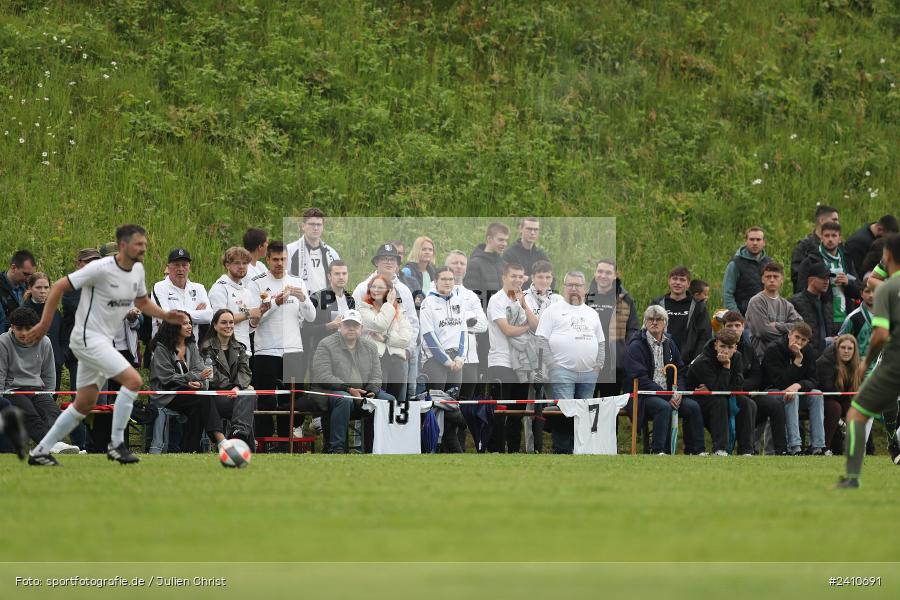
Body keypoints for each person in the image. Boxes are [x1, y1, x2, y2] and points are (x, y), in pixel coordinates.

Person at [24, 224, 187, 466]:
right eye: (138, 244)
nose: (143, 248)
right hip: (87, 338)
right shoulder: (99, 268)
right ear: (122, 245)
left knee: (83, 405)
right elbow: (58, 287)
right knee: (133, 380)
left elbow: (143, 303)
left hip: (101, 341)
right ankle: (116, 445)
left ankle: (40, 450)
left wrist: (165, 315)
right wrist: (43, 325)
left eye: (144, 244)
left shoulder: (136, 271)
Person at [837, 233, 900, 488]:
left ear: (888, 256)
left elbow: (881, 334)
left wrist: (866, 362)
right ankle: (895, 441)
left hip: (894, 360)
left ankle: (852, 477)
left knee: (857, 412)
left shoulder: (887, 289)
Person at [247, 240, 314, 439]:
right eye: (275, 259)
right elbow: (254, 318)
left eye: (283, 259)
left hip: (293, 350)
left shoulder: (297, 282)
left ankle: (288, 438)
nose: (279, 263)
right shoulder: (257, 282)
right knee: (265, 398)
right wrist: (275, 302)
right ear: (267, 259)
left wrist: (303, 299)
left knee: (292, 398)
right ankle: (264, 439)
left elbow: (311, 317)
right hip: (266, 350)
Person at [535, 271, 606, 454]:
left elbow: (601, 342)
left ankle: (580, 450)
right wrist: (553, 364)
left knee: (583, 413)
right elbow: (541, 340)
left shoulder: (592, 313)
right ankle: (563, 450)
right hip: (561, 372)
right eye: (570, 285)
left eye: (578, 285)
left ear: (585, 289)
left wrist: (598, 366)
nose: (574, 288)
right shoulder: (552, 311)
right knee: (564, 412)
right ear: (564, 287)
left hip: (589, 373)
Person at [311, 310, 395, 454]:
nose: (351, 328)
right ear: (340, 327)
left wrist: (372, 392)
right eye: (347, 325)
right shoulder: (326, 344)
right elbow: (323, 376)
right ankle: (337, 448)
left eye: (355, 325)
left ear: (361, 328)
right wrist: (349, 389)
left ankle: (380, 448)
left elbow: (376, 375)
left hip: (362, 393)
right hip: (330, 392)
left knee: (389, 400)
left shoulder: (371, 347)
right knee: (345, 400)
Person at [623, 305, 704, 455]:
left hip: (669, 395)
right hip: (642, 396)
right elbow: (639, 378)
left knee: (693, 407)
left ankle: (697, 451)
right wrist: (667, 396)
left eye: (659, 319)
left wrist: (679, 392)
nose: (654, 322)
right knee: (664, 407)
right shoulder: (636, 345)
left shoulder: (670, 343)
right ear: (645, 322)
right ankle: (658, 450)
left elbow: (680, 370)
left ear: (665, 322)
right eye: (650, 319)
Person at [0, 307, 78, 454]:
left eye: (28, 328)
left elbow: (49, 373)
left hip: (37, 389)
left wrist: (48, 395)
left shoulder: (45, 341)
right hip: (12, 391)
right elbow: (0, 372)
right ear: (12, 327)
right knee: (30, 415)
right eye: (19, 328)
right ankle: (50, 445)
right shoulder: (3, 341)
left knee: (52, 412)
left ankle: (58, 444)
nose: (24, 333)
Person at [149, 311, 226, 453]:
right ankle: (220, 440)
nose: (190, 326)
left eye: (190, 323)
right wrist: (192, 379)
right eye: (185, 323)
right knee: (202, 399)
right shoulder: (162, 348)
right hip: (167, 395)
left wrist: (199, 383)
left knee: (199, 406)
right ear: (173, 326)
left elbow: (202, 371)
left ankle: (190, 449)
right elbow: (166, 378)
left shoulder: (191, 346)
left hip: (188, 393)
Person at [352, 243, 419, 399]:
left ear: (397, 264)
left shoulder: (404, 290)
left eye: (392, 259)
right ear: (376, 262)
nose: (389, 262)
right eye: (385, 259)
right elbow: (353, 320)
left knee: (398, 404)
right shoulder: (363, 288)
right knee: (374, 402)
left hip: (399, 356)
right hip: (372, 355)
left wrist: (408, 350)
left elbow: (412, 324)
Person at [486, 263, 535, 453]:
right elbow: (507, 330)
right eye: (513, 276)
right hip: (501, 362)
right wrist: (527, 328)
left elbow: (537, 326)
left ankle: (514, 450)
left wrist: (524, 305)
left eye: (521, 277)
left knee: (518, 411)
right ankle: (496, 449)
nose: (517, 280)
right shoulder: (496, 300)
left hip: (522, 364)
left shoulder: (522, 300)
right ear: (504, 278)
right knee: (501, 410)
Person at [761, 322, 825, 455]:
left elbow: (813, 379)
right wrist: (797, 362)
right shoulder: (773, 349)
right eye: (797, 337)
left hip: (796, 391)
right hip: (773, 392)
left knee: (816, 394)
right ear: (789, 334)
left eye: (803, 340)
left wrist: (798, 385)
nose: (799, 342)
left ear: (808, 341)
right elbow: (779, 382)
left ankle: (818, 447)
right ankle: (795, 447)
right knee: (791, 395)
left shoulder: (808, 351)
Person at [686, 328, 751, 456]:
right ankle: (720, 449)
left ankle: (746, 450)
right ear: (715, 345)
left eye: (730, 347)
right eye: (722, 346)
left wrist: (714, 388)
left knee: (746, 402)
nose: (725, 351)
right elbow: (720, 391)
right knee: (719, 401)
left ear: (735, 348)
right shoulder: (703, 361)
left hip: (717, 394)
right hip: (696, 397)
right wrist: (726, 367)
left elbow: (738, 387)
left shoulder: (737, 357)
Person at [199, 309, 257, 447]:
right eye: (224, 322)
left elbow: (245, 372)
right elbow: (212, 376)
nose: (228, 326)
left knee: (248, 393)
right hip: (216, 398)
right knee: (248, 394)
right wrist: (234, 388)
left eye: (231, 322)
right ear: (215, 325)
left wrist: (238, 387)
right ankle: (241, 436)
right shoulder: (206, 348)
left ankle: (239, 432)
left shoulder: (240, 348)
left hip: (236, 395)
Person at [520, 260, 561, 452]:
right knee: (531, 406)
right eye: (540, 277)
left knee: (557, 404)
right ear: (532, 277)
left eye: (547, 277)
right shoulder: (523, 297)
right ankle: (532, 448)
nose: (544, 281)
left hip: (554, 358)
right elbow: (532, 327)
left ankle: (560, 446)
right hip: (530, 357)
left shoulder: (558, 300)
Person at [585, 259, 639, 397]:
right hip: (587, 362)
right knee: (585, 405)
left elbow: (633, 329)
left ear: (615, 275)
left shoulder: (625, 299)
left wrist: (624, 351)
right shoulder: (584, 296)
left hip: (613, 364)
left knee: (609, 406)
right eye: (600, 271)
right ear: (595, 272)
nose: (603, 276)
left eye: (608, 273)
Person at [358, 275, 413, 405]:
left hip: (397, 360)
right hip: (376, 360)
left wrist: (385, 339)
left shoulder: (399, 310)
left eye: (380, 287)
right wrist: (389, 304)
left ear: (389, 291)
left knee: (397, 403)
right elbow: (379, 324)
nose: (376, 290)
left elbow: (406, 338)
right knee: (379, 401)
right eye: (373, 287)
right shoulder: (363, 309)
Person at [444, 251, 488, 404]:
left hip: (470, 358)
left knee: (466, 404)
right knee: (447, 403)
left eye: (462, 263)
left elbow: (483, 325)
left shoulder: (471, 295)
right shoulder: (435, 291)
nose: (458, 266)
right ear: (446, 265)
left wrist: (458, 319)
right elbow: (442, 322)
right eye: (455, 263)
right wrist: (469, 318)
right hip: (447, 358)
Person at [650, 266, 712, 363]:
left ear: (688, 284)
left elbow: (704, 337)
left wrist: (695, 362)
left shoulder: (698, 307)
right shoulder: (657, 304)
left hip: (688, 363)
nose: (678, 282)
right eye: (674, 279)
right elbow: (647, 331)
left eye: (682, 280)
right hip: (659, 360)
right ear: (669, 281)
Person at [208, 246, 263, 354]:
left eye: (245, 263)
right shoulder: (220, 287)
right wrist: (248, 314)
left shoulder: (246, 291)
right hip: (224, 348)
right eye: (237, 263)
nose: (241, 266)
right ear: (227, 265)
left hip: (245, 350)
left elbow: (249, 328)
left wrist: (259, 314)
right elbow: (218, 320)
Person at [745, 261, 802, 362]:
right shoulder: (757, 301)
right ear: (762, 279)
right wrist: (790, 337)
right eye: (768, 276)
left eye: (776, 276)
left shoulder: (786, 305)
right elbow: (764, 332)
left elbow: (801, 327)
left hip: (783, 358)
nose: (772, 280)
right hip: (762, 359)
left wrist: (778, 325)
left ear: (782, 280)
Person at [815, 334, 862, 455]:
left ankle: (859, 448)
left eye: (850, 348)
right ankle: (823, 448)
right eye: (843, 347)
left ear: (854, 351)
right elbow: (828, 389)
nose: (846, 351)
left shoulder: (856, 364)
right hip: (822, 398)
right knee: (835, 408)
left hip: (840, 397)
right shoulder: (826, 361)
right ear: (837, 348)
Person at [151, 248, 213, 338]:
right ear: (168, 267)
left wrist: (176, 313)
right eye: (176, 265)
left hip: (192, 345)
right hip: (166, 344)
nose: (180, 269)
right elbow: (165, 318)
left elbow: (208, 316)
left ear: (189, 268)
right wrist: (196, 315)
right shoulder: (159, 287)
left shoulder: (199, 288)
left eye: (184, 265)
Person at [307, 260, 356, 359]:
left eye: (344, 273)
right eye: (337, 274)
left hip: (347, 354)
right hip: (324, 354)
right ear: (329, 276)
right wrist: (329, 326)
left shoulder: (350, 299)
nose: (341, 277)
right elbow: (306, 330)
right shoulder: (318, 297)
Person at [23, 273, 64, 389]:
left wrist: (61, 356)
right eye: (38, 287)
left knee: (52, 396)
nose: (43, 291)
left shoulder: (55, 312)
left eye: (46, 287)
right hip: (29, 366)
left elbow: (63, 336)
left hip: (54, 363)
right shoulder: (22, 312)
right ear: (30, 288)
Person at [288, 207, 341, 295]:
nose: (315, 228)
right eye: (312, 224)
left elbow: (339, 281)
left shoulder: (332, 253)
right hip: (298, 300)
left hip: (325, 300)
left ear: (323, 227)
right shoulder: (290, 250)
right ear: (303, 226)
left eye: (319, 224)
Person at [790, 258, 836, 358]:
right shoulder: (795, 302)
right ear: (811, 280)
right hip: (804, 356)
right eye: (823, 278)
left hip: (826, 358)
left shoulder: (827, 304)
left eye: (828, 278)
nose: (827, 282)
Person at [722, 227, 772, 315]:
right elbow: (727, 295)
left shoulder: (769, 263)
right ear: (746, 241)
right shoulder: (735, 264)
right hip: (743, 316)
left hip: (766, 315)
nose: (755, 243)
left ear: (764, 242)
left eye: (758, 240)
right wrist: (738, 318)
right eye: (751, 239)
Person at [790, 204, 839, 293]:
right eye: (834, 220)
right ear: (822, 220)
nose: (837, 223)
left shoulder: (839, 248)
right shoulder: (804, 247)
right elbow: (797, 277)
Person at [839, 276, 877, 370]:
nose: (871, 295)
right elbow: (840, 342)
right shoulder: (853, 317)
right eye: (867, 291)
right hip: (858, 369)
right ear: (861, 294)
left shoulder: (887, 315)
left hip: (882, 369)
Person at [0, 250, 36, 334]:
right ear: (13, 268)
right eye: (25, 274)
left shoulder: (31, 287)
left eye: (31, 275)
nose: (28, 279)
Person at [503, 217, 550, 281]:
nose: (532, 233)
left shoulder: (541, 255)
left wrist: (528, 279)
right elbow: (508, 280)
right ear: (520, 229)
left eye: (536, 229)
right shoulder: (510, 254)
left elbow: (552, 280)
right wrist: (538, 280)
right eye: (529, 229)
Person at [400, 236, 437, 307]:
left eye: (430, 250)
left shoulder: (433, 271)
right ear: (416, 251)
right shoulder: (407, 271)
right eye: (424, 249)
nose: (427, 252)